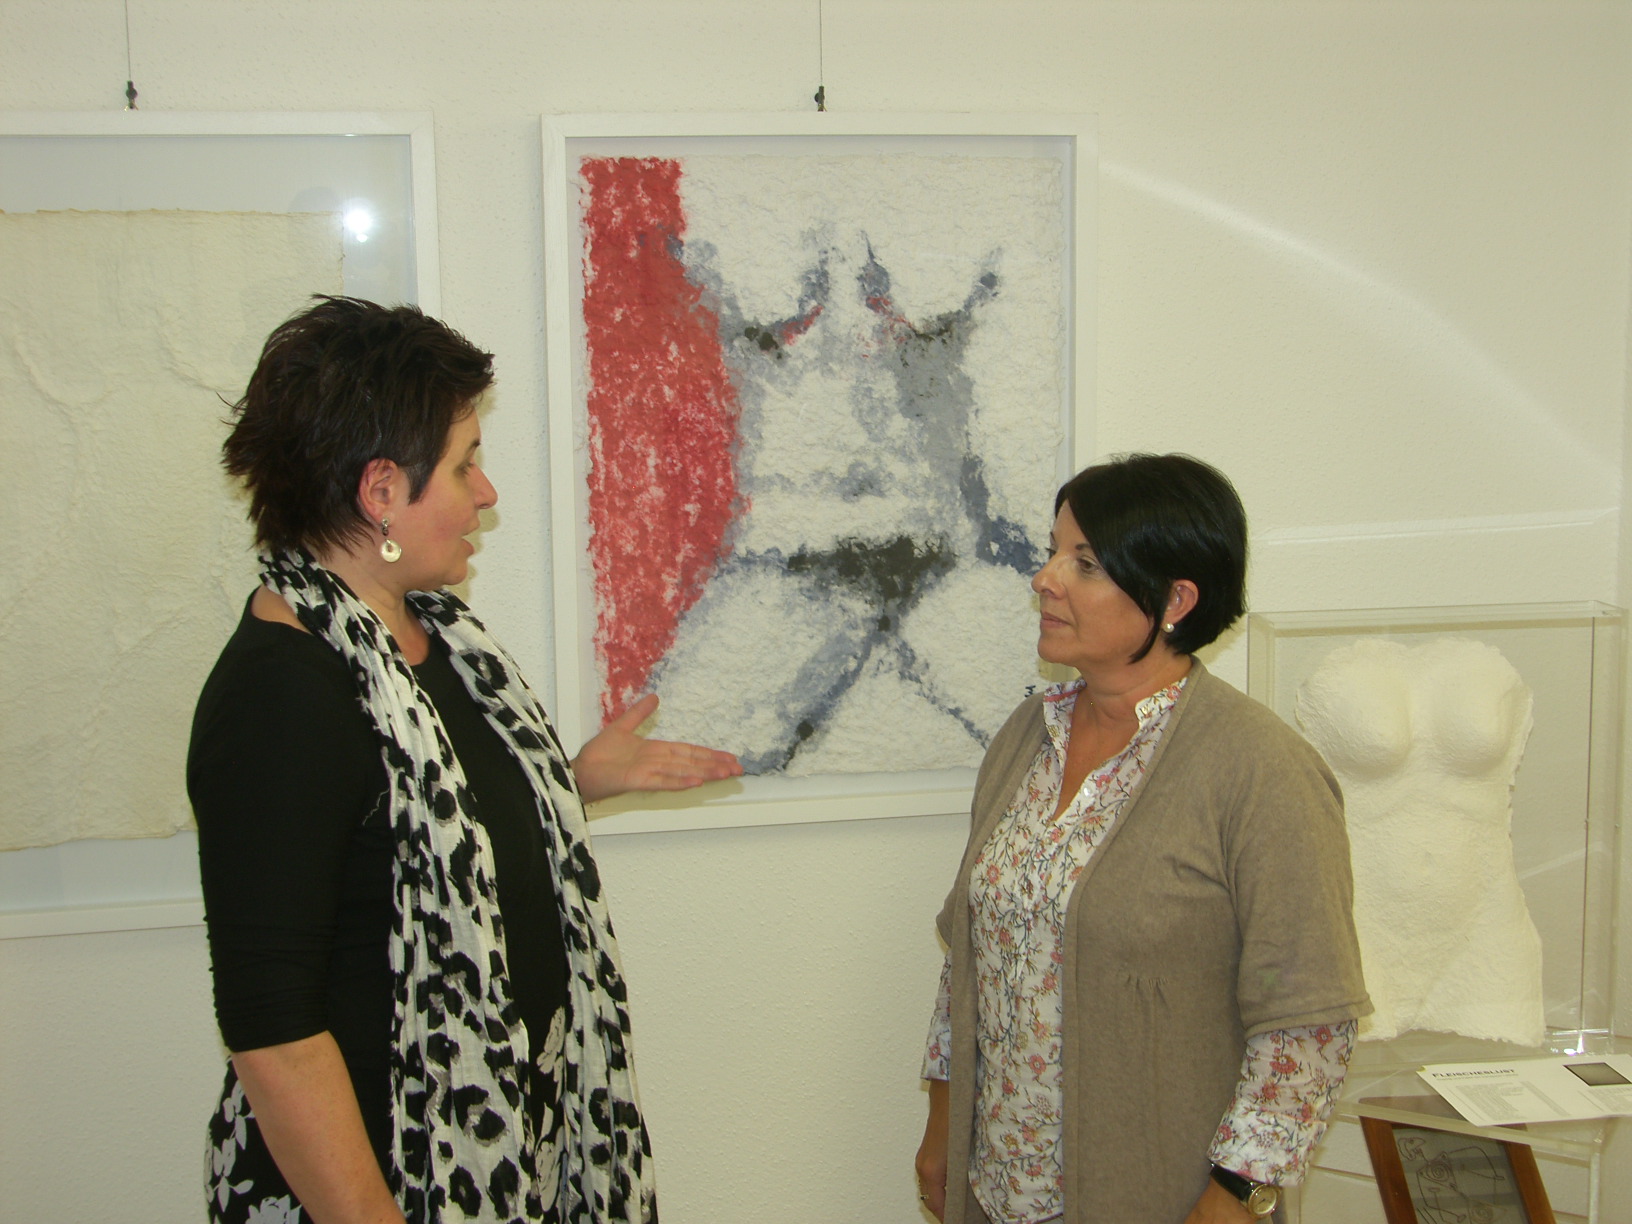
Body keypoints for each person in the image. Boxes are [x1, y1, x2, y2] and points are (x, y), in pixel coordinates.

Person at [189, 296, 741, 1224]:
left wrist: (565, 782)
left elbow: (414, 836)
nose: (485, 493)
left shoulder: (431, 639)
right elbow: (273, 1034)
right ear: (381, 493)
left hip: (513, 1165)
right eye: (463, 464)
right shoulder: (279, 696)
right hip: (383, 1188)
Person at [913, 453, 1370, 1224]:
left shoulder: (1261, 769)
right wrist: (941, 1129)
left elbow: (1307, 1023)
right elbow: (969, 962)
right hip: (996, 1193)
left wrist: (1234, 1199)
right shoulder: (1027, 738)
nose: (1045, 579)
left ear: (1175, 599)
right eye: (1054, 552)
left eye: (1085, 563)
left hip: (1164, 1197)